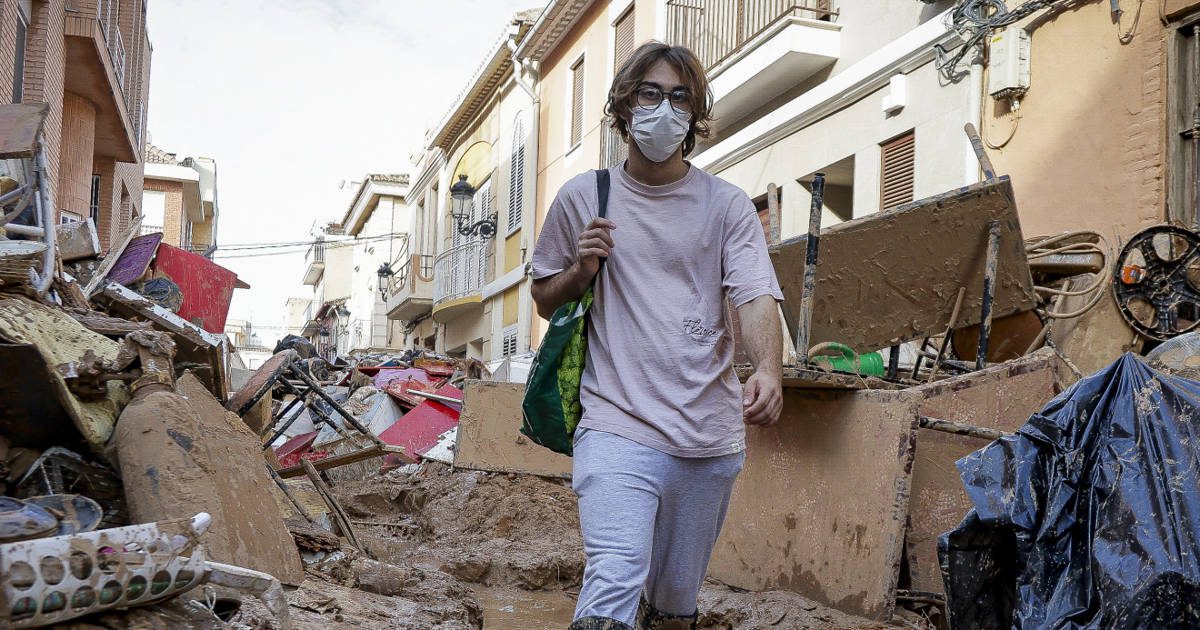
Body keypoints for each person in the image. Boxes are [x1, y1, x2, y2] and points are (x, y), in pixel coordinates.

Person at [531, 41, 784, 630]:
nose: (664, 108)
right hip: (616, 423)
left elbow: (753, 293)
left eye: (679, 97)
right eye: (651, 93)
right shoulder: (583, 198)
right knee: (615, 572)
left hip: (708, 437)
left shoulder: (727, 207)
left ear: (693, 115)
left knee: (674, 605)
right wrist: (581, 271)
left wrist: (768, 369)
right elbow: (545, 298)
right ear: (624, 107)